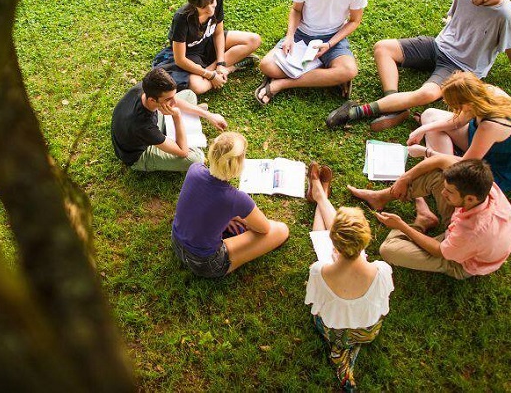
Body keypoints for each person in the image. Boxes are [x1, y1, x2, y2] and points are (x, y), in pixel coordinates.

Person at [326, 0, 511, 131]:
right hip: (438, 46)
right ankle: (395, 105)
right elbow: (455, 18)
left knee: (427, 94)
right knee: (383, 47)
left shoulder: (505, 15)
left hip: (462, 67)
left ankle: (355, 112)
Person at [305, 163, 394, 393]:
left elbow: (316, 307)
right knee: (340, 254)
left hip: (333, 329)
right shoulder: (382, 270)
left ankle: (320, 194)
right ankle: (320, 193)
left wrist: (332, 261)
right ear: (367, 239)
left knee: (321, 250)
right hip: (368, 331)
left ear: (334, 243)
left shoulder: (320, 272)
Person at [352, 159, 511, 279]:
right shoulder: (481, 184)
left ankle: (422, 222)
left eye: (449, 192)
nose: (443, 193)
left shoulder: (472, 231)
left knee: (389, 249)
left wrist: (402, 226)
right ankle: (381, 198)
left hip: (460, 260)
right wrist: (405, 178)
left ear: (470, 199)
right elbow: (438, 160)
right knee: (438, 175)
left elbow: (439, 251)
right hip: (465, 231)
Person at [256, 0, 366, 104]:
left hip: (333, 37)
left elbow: (354, 21)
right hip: (302, 35)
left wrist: (329, 44)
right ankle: (326, 75)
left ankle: (282, 84)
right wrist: (289, 37)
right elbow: (296, 10)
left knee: (349, 70)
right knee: (266, 66)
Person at [171, 132, 290, 277]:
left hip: (177, 243)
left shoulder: (194, 169)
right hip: (206, 263)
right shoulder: (236, 198)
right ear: (238, 164)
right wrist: (245, 219)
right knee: (280, 230)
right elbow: (264, 228)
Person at [407, 71, 511, 192]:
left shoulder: (490, 126)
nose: (455, 109)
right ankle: (439, 166)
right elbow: (458, 122)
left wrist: (426, 152)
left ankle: (438, 170)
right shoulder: (482, 94)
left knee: (452, 165)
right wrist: (422, 129)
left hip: (499, 167)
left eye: (456, 106)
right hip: (485, 142)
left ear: (467, 104)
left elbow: (466, 164)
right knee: (430, 115)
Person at [154, 0, 261, 94]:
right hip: (190, 54)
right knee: (197, 87)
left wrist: (220, 63)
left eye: (212, 2)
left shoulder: (218, 0)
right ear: (195, 6)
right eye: (204, 7)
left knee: (254, 40)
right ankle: (231, 68)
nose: (210, 10)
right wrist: (209, 75)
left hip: (209, 42)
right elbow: (180, 60)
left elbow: (218, 33)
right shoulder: (182, 18)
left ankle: (220, 69)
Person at [111, 68, 227, 172]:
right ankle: (181, 130)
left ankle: (181, 123)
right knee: (196, 159)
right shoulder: (144, 126)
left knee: (189, 94)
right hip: (139, 154)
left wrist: (209, 115)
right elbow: (183, 152)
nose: (174, 102)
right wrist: (176, 116)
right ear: (152, 100)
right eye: (168, 99)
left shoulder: (146, 88)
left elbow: (174, 100)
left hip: (140, 129)